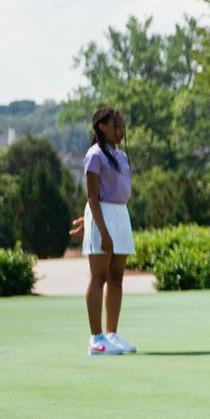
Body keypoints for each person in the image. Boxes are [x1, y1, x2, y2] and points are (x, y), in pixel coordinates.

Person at [77, 107, 137, 356]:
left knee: (116, 278)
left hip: (120, 215)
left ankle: (111, 334)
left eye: (123, 127)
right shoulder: (95, 155)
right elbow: (92, 196)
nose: (121, 131)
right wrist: (99, 228)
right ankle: (96, 338)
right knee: (99, 276)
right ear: (102, 127)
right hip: (103, 216)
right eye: (117, 126)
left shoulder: (120, 156)